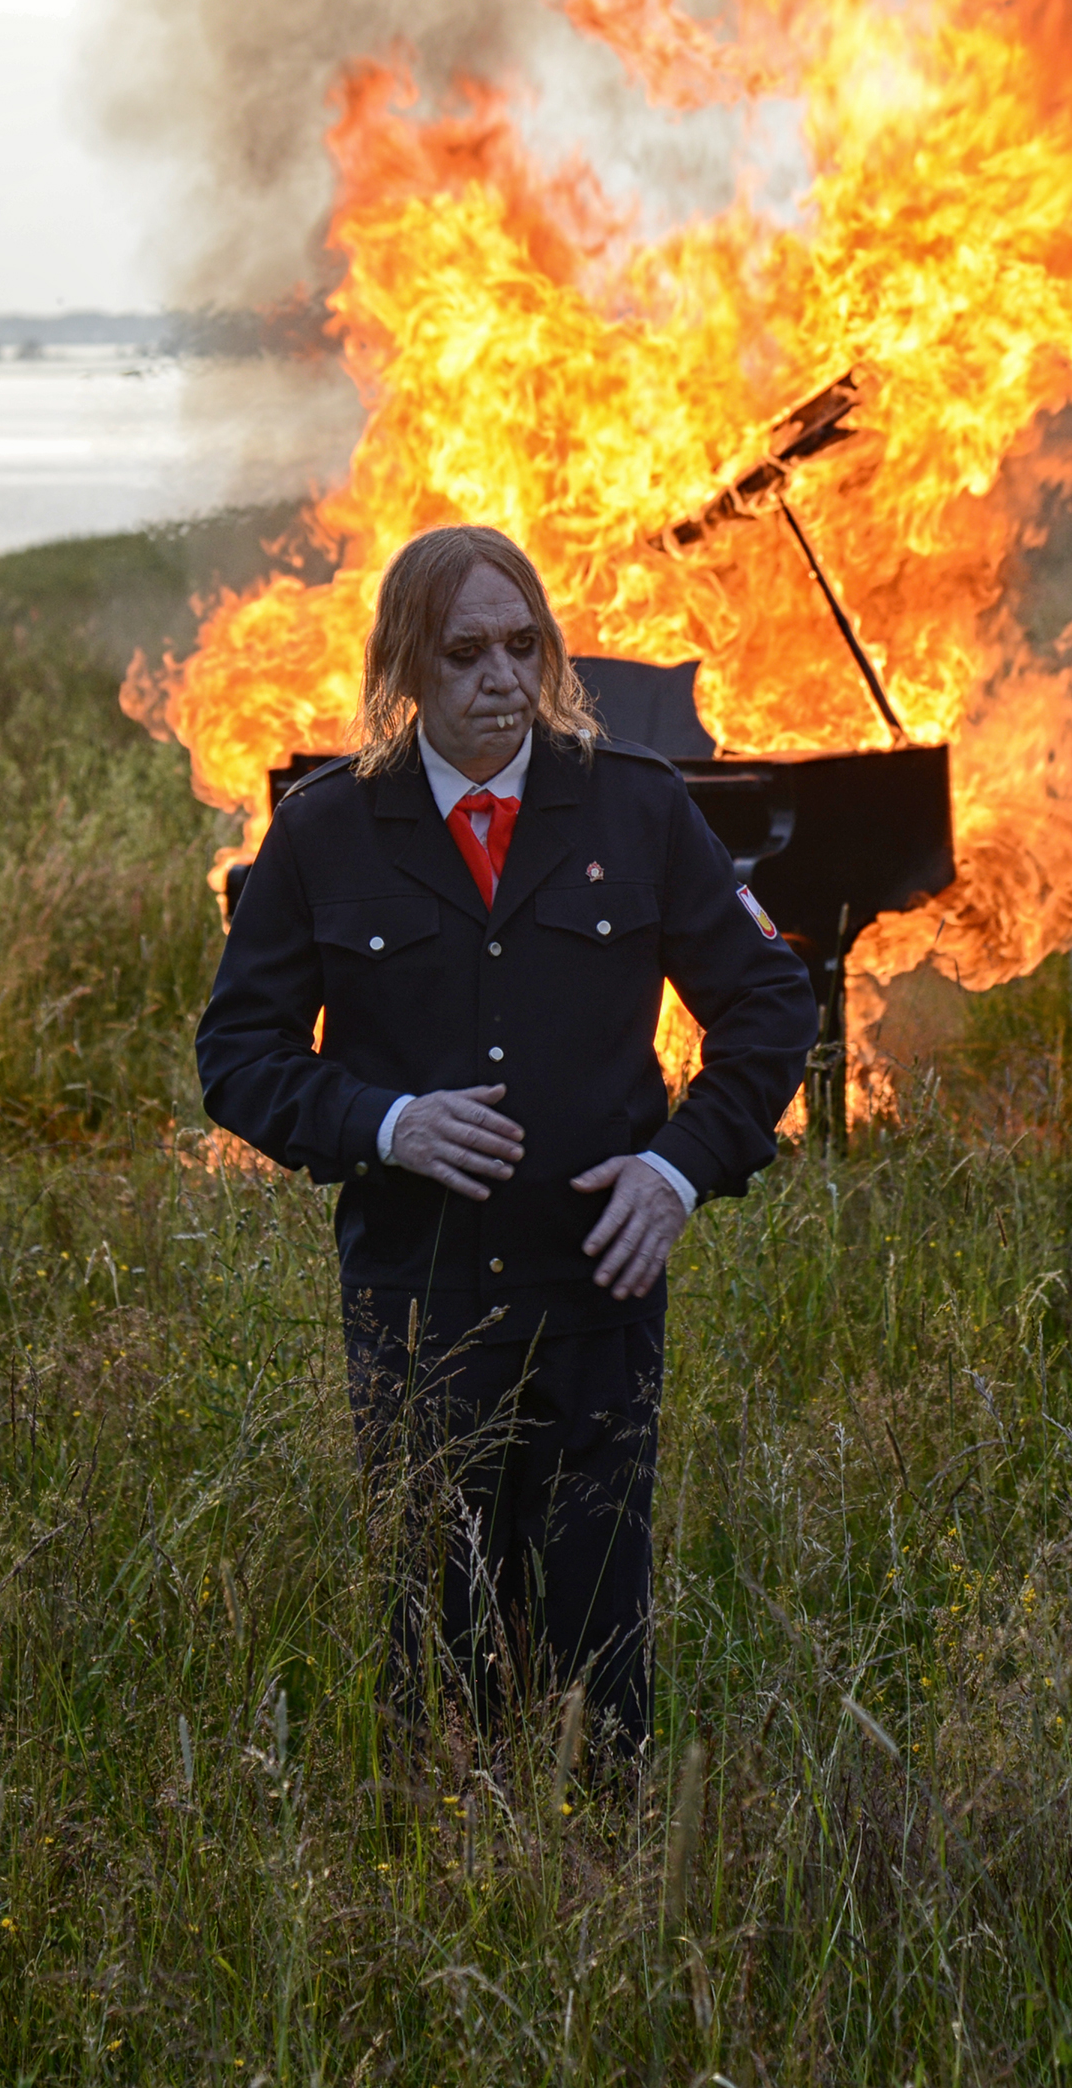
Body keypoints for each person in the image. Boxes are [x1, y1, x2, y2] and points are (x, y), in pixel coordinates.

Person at [195, 523, 818, 1768]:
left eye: (523, 644)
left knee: (599, 1654)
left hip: (596, 1301)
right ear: (405, 666)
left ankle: (610, 1893)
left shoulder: (637, 805)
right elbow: (238, 1056)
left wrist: (677, 1167)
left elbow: (769, 1002)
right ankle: (456, 1896)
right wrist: (384, 1121)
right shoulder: (324, 832)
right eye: (465, 648)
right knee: (438, 1652)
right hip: (415, 1306)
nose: (499, 674)